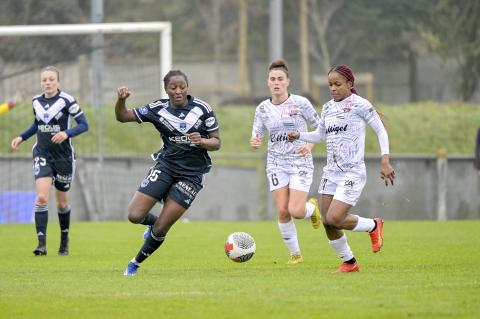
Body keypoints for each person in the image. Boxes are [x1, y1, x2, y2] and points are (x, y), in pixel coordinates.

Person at [288, 64, 395, 272]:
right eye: (330, 85)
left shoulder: (360, 105)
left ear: (349, 84)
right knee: (328, 223)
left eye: (337, 84)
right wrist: (299, 135)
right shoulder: (328, 107)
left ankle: (373, 225)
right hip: (332, 172)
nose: (333, 88)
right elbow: (320, 135)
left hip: (352, 171)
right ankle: (349, 263)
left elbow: (381, 131)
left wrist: (385, 160)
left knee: (335, 218)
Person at [116, 70, 221, 276]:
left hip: (192, 175)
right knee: (134, 215)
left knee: (162, 229)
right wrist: (121, 101)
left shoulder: (203, 109)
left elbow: (217, 142)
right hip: (166, 167)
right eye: (173, 87)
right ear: (166, 89)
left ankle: (134, 264)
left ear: (187, 87)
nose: (178, 91)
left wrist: (202, 141)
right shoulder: (157, 108)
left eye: (182, 87)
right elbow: (122, 117)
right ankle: (155, 223)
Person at [10, 66, 89, 256]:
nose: (47, 82)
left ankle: (64, 241)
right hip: (42, 153)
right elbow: (38, 124)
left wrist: (66, 133)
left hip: (64, 158)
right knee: (42, 197)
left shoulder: (67, 101)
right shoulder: (36, 101)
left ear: (58, 82)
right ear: (41, 83)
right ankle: (41, 244)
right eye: (44, 80)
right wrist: (22, 137)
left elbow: (84, 125)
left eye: (51, 79)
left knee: (61, 203)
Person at [250, 59, 321, 264]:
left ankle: (311, 209)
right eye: (273, 79)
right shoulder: (262, 109)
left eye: (280, 79)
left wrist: (308, 145)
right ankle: (296, 255)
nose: (276, 82)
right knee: (282, 210)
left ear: (288, 81)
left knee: (296, 211)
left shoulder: (301, 103)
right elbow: (257, 134)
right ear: (268, 82)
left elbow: (319, 129)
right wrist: (255, 141)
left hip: (300, 161)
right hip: (275, 163)